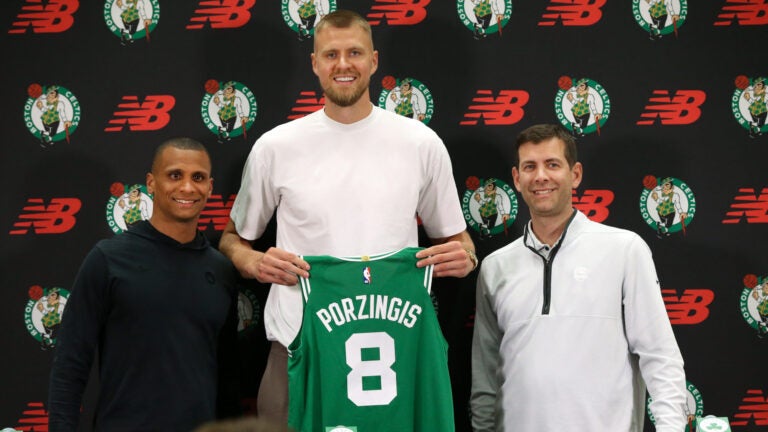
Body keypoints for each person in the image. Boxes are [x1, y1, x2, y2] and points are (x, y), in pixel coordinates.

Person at [219, 9, 476, 426]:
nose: (343, 65)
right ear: (315, 63)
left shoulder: (419, 143)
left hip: (396, 351)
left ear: (373, 61)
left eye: (354, 53)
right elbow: (232, 239)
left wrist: (466, 257)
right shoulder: (276, 147)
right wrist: (252, 261)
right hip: (298, 348)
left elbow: (461, 241)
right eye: (331, 54)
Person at [470, 124, 687, 431]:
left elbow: (660, 357)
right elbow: (486, 377)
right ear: (517, 179)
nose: (541, 176)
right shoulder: (495, 266)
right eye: (530, 166)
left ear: (575, 174)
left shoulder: (624, 249)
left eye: (553, 164)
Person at [48, 137, 239, 431]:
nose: (187, 187)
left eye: (197, 177)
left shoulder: (222, 270)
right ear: (151, 183)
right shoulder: (108, 260)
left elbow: (226, 376)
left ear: (210, 187)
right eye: (175, 175)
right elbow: (70, 364)